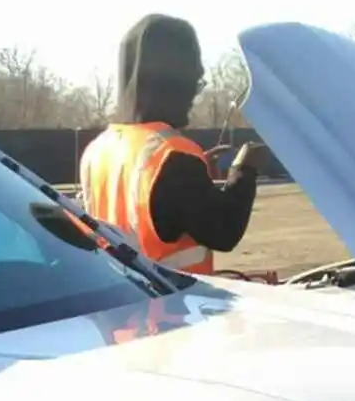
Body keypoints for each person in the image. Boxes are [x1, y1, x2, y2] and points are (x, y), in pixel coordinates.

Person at [79, 15, 260, 274]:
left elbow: (155, 202)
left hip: (125, 300)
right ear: (172, 84)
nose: (193, 96)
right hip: (175, 308)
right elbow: (223, 231)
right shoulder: (174, 156)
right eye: (194, 83)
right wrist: (244, 170)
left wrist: (196, 174)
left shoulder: (98, 149)